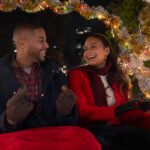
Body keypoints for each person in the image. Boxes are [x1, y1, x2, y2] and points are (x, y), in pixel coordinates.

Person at [68, 33, 150, 150]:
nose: (88, 51)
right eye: (85, 49)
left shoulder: (117, 76)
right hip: (92, 130)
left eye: (93, 46)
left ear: (106, 51)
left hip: (117, 129)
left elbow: (125, 115)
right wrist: (115, 111)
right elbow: (82, 111)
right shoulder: (77, 74)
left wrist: (140, 109)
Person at [0, 21, 77, 133]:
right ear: (22, 44)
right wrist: (9, 120)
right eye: (41, 40)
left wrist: (66, 113)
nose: (47, 45)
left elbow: (68, 126)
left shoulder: (56, 75)